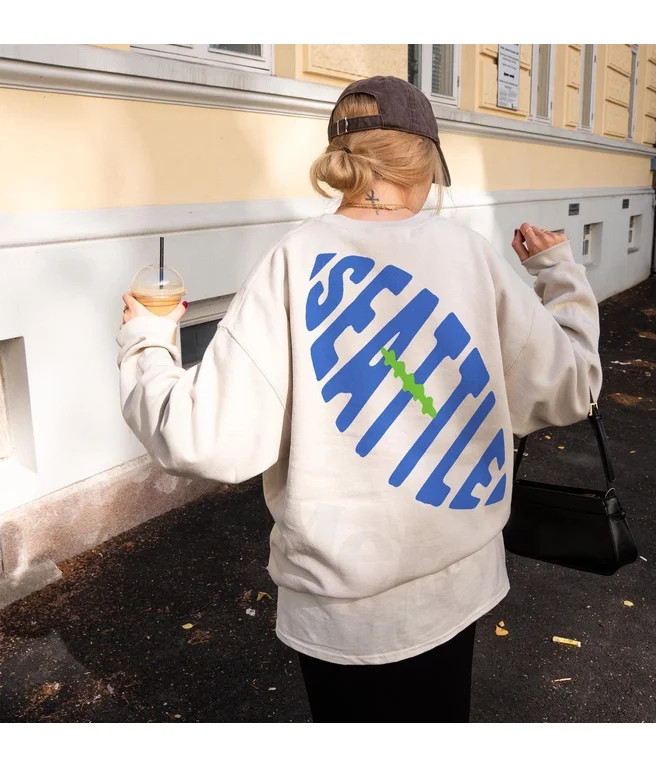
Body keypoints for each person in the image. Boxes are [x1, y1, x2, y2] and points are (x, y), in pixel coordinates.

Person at [117, 75, 602, 723]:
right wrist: (560, 272)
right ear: (428, 161)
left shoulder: (293, 261)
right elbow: (572, 386)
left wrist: (146, 340)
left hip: (341, 618)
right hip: (456, 586)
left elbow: (202, 440)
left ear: (341, 163)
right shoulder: (471, 257)